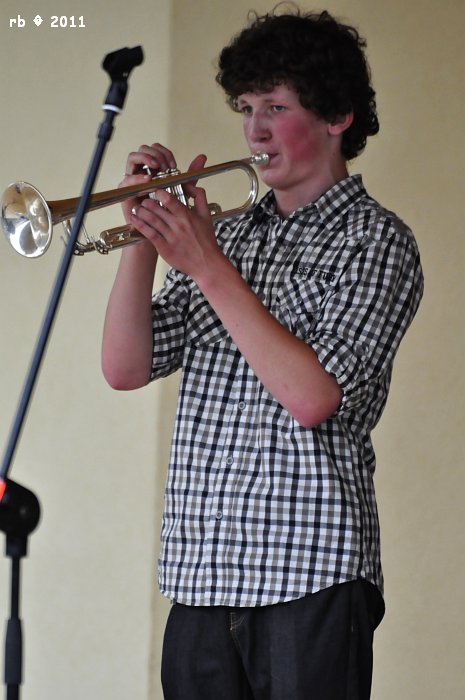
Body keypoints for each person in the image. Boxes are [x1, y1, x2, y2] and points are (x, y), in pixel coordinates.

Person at [101, 8, 424, 700]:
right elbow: (125, 368)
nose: (254, 129)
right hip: (200, 574)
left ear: (337, 115)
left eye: (276, 106)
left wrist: (207, 265)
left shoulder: (376, 241)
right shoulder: (230, 236)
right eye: (246, 108)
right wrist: (142, 235)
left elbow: (313, 397)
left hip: (310, 571)